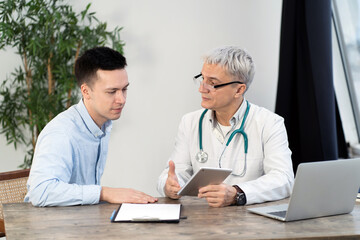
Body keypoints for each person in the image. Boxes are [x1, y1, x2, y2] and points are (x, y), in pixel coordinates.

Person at [157, 46, 294, 207]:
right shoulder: (190, 122)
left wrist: (238, 193)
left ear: (239, 89)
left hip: (252, 223)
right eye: (202, 79)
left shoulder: (269, 123)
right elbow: (175, 173)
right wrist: (170, 186)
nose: (202, 88)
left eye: (212, 83)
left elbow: (283, 179)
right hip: (201, 221)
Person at [25, 47, 157, 207]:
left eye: (124, 89)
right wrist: (104, 193)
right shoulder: (61, 133)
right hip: (50, 227)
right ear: (86, 91)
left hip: (81, 221)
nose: (121, 99)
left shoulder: (103, 124)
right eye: (112, 91)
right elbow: (41, 192)